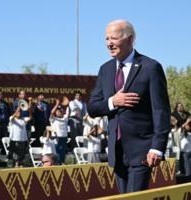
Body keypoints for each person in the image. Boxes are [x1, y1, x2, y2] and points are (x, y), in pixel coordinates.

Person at [87, 19, 171, 193]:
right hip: (116, 153)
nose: (109, 43)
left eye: (114, 38)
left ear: (130, 39)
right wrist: (113, 101)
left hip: (142, 151)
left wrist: (157, 147)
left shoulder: (150, 67)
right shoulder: (106, 69)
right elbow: (93, 108)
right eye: (106, 39)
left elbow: (161, 111)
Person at [50, 99, 69, 165]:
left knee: (63, 152)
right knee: (56, 151)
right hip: (56, 137)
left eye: (60, 111)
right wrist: (57, 104)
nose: (59, 112)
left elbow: (66, 112)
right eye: (57, 111)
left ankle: (62, 163)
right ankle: (56, 163)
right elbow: (52, 112)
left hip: (64, 137)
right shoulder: (53, 119)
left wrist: (65, 106)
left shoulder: (65, 118)